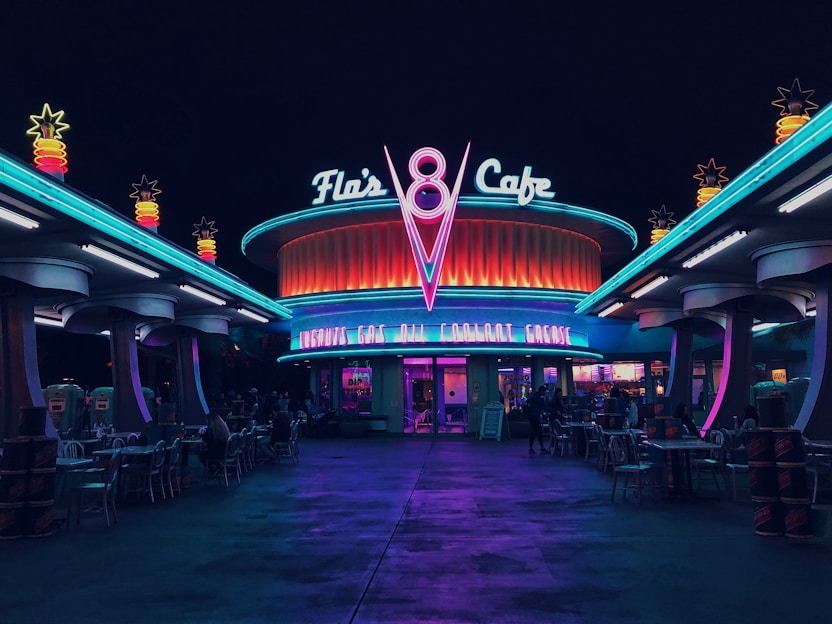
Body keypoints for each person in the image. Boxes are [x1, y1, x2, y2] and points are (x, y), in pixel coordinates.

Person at [526, 385, 550, 455]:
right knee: (539, 431)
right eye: (545, 391)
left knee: (533, 431)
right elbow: (545, 407)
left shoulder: (534, 396)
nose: (545, 393)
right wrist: (554, 411)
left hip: (531, 415)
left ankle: (531, 447)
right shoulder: (539, 398)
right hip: (535, 416)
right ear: (542, 391)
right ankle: (541, 447)